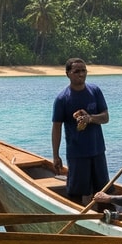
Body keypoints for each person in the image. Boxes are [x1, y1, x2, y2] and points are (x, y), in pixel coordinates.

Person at [50, 58, 109, 204]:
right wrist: (56, 155)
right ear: (68, 74)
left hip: (98, 151)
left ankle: (104, 221)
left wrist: (90, 119)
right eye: (77, 71)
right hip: (77, 154)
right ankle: (78, 221)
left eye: (83, 71)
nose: (81, 74)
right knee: (77, 194)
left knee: (103, 192)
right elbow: (56, 127)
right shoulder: (62, 99)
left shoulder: (94, 91)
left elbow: (105, 117)